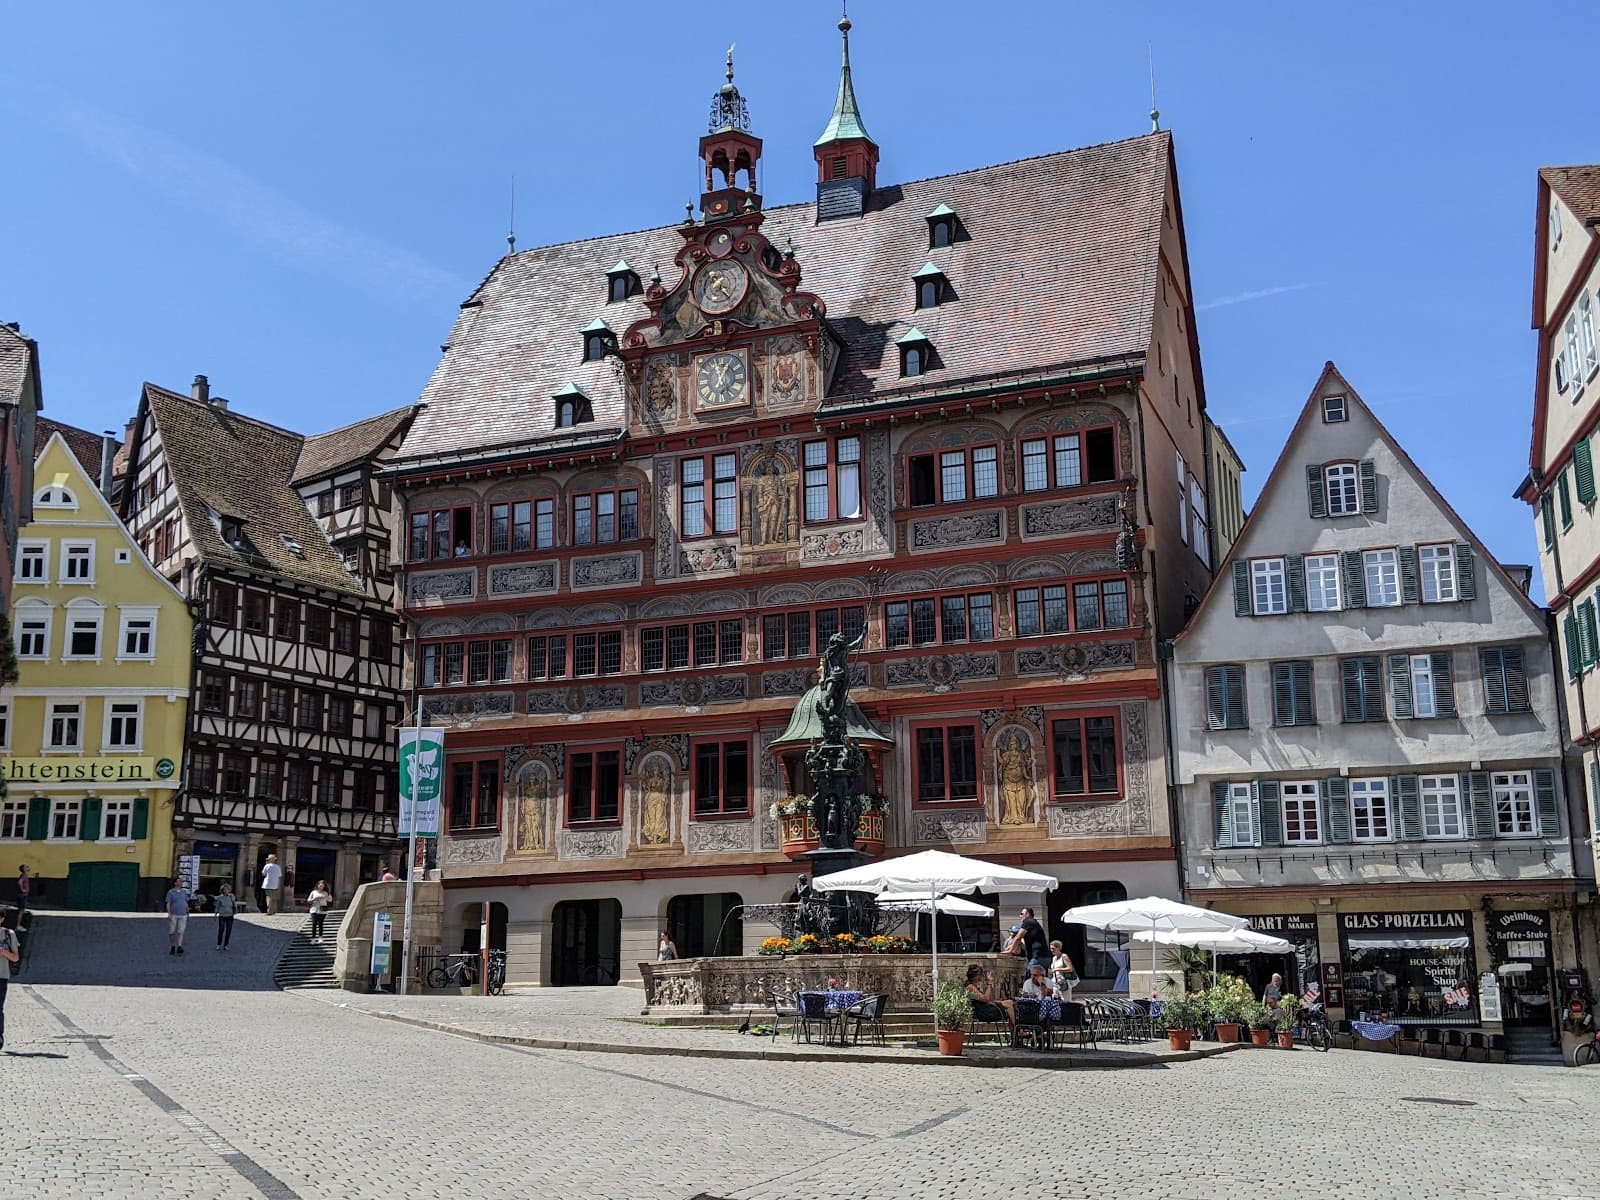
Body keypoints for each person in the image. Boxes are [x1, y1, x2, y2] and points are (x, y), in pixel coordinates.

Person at [0, 909, 19, 1049]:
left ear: (1, 919)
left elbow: (15, 958)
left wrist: (2, 952)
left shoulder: (9, 934)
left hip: (2, 976)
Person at [165, 878, 191, 955]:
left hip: (183, 914)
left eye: (181, 881)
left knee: (181, 931)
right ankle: (173, 945)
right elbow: (168, 903)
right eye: (179, 881)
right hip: (174, 914)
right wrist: (169, 913)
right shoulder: (170, 892)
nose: (181, 883)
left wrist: (187, 911)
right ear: (175, 883)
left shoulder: (184, 892)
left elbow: (185, 902)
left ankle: (179, 946)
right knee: (171, 931)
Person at [214, 883, 237, 950]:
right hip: (222, 916)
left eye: (227, 889)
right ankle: (218, 944)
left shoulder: (231, 896)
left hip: (230, 916)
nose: (226, 890)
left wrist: (235, 909)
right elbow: (217, 906)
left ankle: (226, 945)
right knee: (221, 930)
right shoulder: (220, 897)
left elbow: (234, 904)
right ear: (223, 890)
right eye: (225, 889)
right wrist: (215, 914)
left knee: (228, 931)